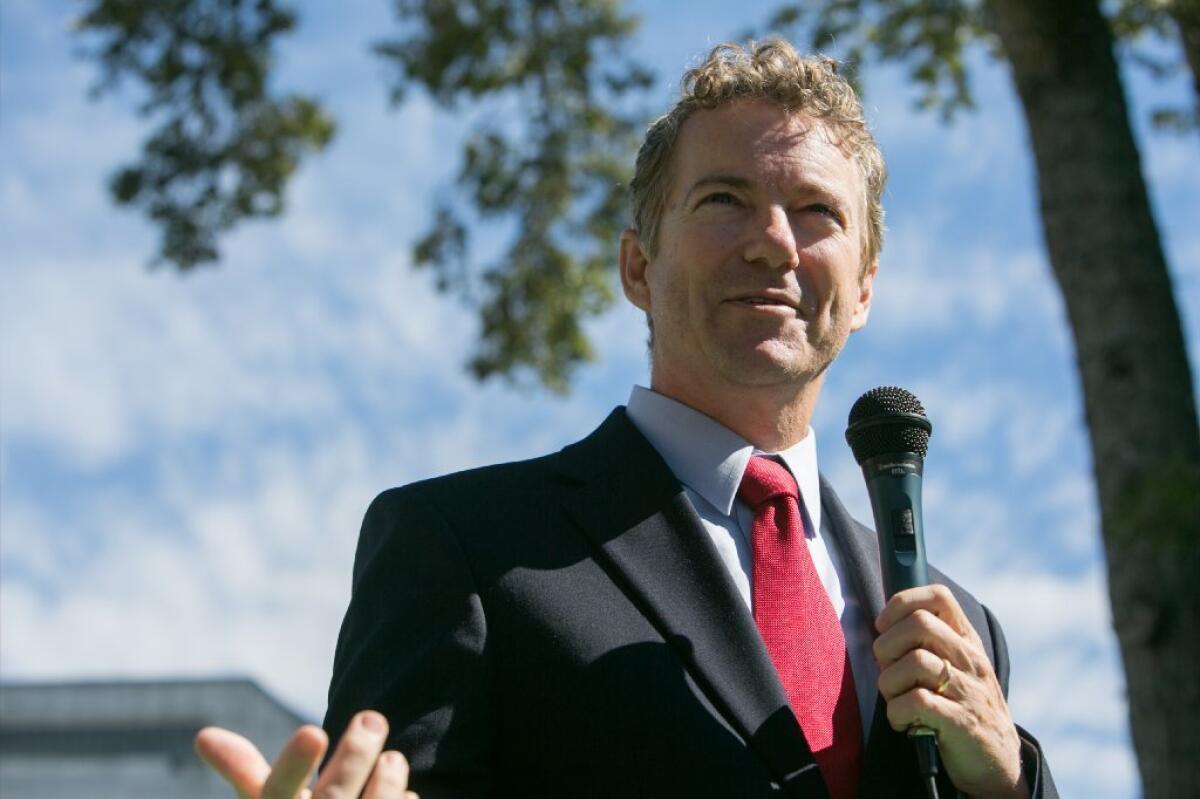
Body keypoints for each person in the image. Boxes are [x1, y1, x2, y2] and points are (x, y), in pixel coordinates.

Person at [196, 39, 1056, 798]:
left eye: (817, 211)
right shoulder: (461, 546)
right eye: (724, 198)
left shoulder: (961, 628)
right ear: (637, 266)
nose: (773, 242)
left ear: (864, 287)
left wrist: (1013, 783)